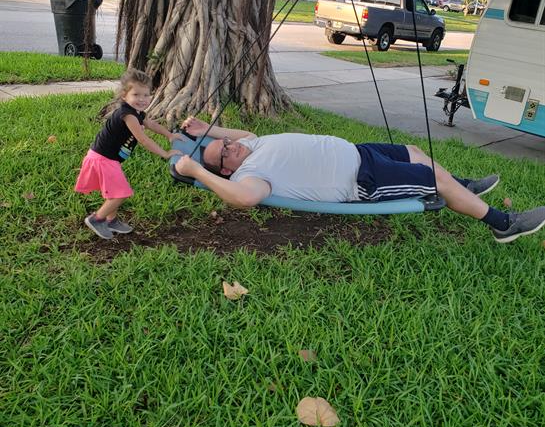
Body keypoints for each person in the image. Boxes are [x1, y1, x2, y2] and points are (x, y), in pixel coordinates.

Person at [174, 116, 545, 244]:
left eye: (225, 144)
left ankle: (463, 186)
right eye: (224, 153)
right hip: (362, 178)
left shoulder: (250, 145)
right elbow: (244, 199)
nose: (230, 147)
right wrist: (197, 171)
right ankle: (503, 223)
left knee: (414, 149)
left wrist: (210, 129)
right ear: (225, 170)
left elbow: (245, 131)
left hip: (360, 151)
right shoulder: (250, 175)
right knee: (435, 181)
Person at [75, 68, 182, 240]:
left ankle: (112, 220)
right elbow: (143, 139)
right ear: (124, 96)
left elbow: (151, 124)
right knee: (121, 193)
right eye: (136, 94)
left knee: (115, 191)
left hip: (108, 159)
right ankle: (97, 219)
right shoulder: (127, 115)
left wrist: (169, 135)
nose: (142, 99)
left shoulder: (138, 113)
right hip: (103, 159)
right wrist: (165, 153)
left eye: (146, 95)